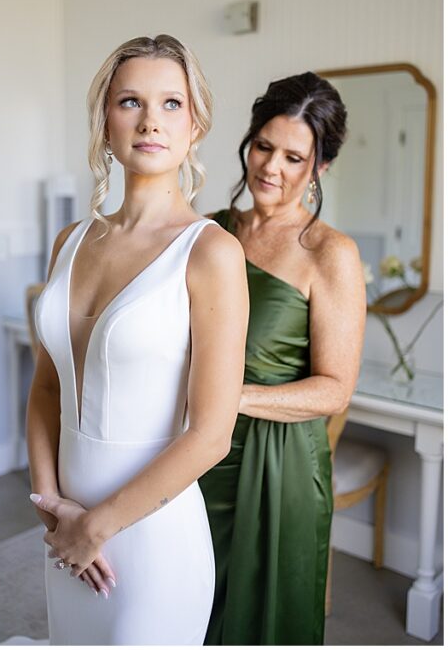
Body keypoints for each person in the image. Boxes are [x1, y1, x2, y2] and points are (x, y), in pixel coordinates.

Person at [27, 34, 249, 644]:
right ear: (105, 121)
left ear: (196, 123)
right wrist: (48, 504)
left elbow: (211, 435)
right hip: (65, 537)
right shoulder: (69, 242)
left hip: (151, 540)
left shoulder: (210, 252)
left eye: (171, 103)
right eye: (131, 102)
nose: (151, 120)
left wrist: (95, 526)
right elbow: (46, 388)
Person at [199, 72, 366, 645]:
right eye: (264, 146)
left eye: (294, 157)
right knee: (188, 607)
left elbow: (333, 390)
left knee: (261, 620)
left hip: (278, 462)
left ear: (320, 167)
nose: (271, 167)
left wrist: (225, 399)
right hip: (194, 451)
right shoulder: (208, 232)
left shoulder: (330, 253)